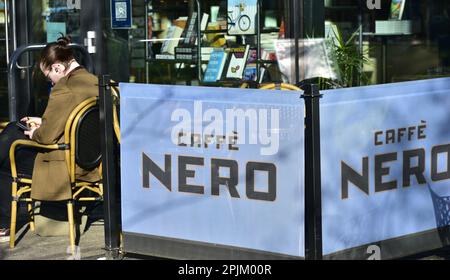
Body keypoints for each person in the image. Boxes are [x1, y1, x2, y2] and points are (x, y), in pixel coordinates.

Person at [0, 36, 100, 242]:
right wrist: (41, 121)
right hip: (91, 161)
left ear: (57, 67)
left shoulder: (64, 88)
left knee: (8, 150)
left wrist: (34, 132)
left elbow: (46, 137)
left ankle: (4, 224)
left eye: (48, 77)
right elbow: (75, 121)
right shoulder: (95, 82)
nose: (51, 82)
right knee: (11, 131)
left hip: (65, 164)